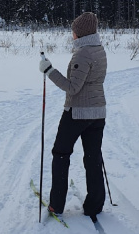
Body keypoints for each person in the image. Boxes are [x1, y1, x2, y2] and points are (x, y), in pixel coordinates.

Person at [38, 12, 107, 219]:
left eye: (74, 31)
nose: (72, 34)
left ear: (81, 33)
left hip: (77, 113)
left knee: (60, 153)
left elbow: (73, 87)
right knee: (93, 157)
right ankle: (95, 205)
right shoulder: (99, 49)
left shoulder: (83, 54)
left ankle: (56, 205)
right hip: (98, 112)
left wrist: (49, 71)